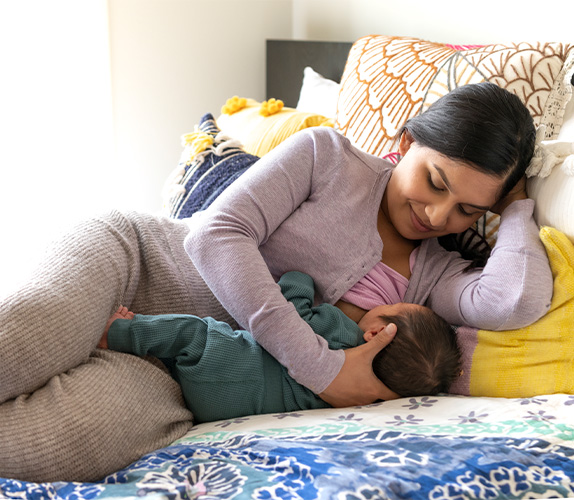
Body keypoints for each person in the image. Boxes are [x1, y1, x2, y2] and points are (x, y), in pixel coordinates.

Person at [0, 82, 553, 482]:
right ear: (406, 143)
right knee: (18, 346)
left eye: (465, 210)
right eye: (434, 183)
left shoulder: (431, 275)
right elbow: (216, 236)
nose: (436, 216)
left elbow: (510, 301)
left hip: (181, 378)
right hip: (136, 264)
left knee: (44, 448)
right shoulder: (327, 155)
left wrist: (518, 209)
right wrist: (320, 366)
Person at [98, 271, 461, 423]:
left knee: (194, 333)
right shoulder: (370, 397)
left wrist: (300, 277)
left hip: (227, 365)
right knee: (188, 349)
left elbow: (293, 310)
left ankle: (119, 333)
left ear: (376, 332)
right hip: (220, 411)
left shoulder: (340, 331)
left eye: (388, 307)